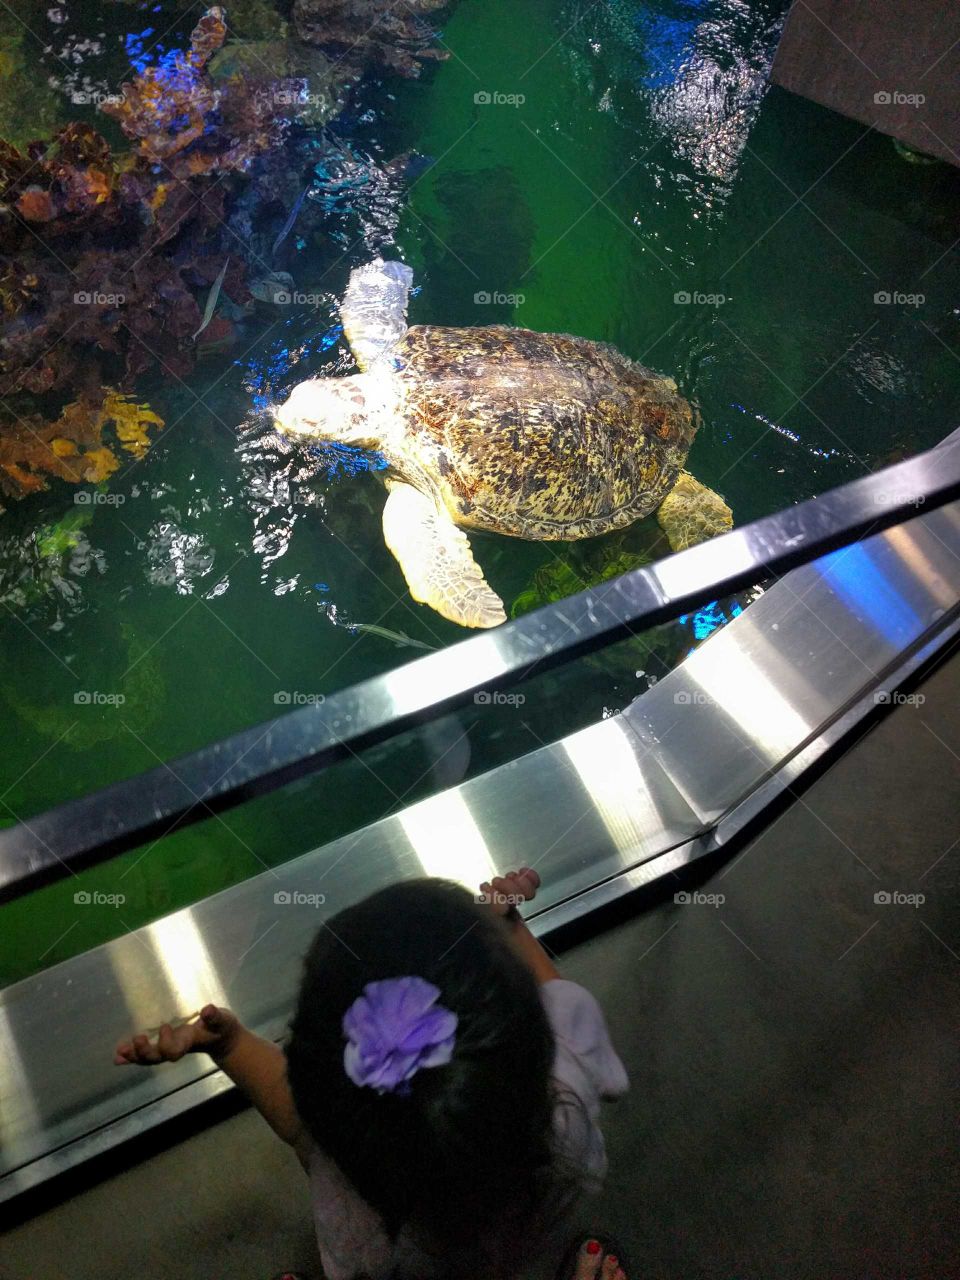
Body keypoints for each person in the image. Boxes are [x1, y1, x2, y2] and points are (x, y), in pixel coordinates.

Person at [116, 869, 629, 1280]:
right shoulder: (571, 1092)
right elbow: (556, 997)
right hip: (533, 1224)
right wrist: (508, 926)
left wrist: (229, 1045)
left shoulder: (359, 1229)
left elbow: (301, 1127)